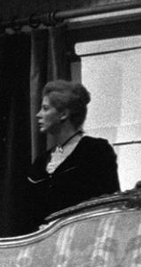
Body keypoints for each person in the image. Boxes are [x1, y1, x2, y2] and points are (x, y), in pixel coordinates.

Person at [26, 80, 119, 230]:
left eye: (45, 109)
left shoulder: (96, 151)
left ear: (63, 114)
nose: (38, 115)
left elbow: (107, 206)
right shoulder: (41, 162)